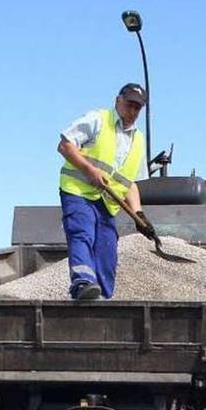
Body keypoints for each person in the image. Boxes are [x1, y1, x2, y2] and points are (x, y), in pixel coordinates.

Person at [57, 83, 154, 300]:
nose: (132, 111)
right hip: (78, 192)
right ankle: (82, 283)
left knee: (107, 249)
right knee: (83, 232)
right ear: (118, 100)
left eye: (137, 108)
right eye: (129, 104)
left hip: (107, 203)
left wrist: (139, 215)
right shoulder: (98, 120)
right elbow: (64, 145)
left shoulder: (138, 141)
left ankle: (102, 298)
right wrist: (89, 170)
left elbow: (130, 183)